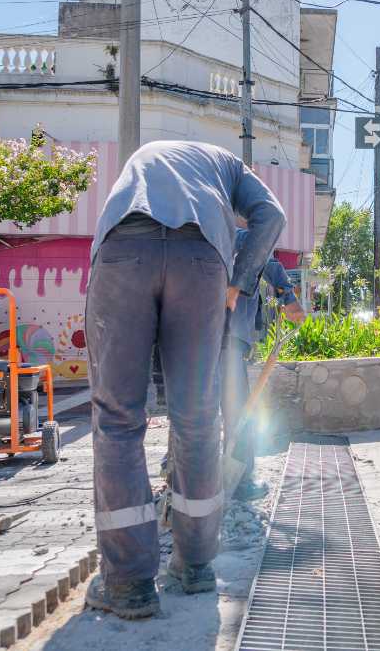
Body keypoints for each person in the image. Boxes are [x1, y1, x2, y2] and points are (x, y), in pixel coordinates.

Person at [84, 140, 284, 619]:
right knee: (196, 417)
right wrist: (238, 280)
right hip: (201, 263)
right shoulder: (232, 168)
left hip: (124, 252)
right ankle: (194, 566)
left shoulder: (154, 155)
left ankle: (129, 583)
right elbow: (271, 215)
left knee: (118, 418)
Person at [221, 228, 304, 494]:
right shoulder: (238, 237)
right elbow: (266, 258)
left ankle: (182, 478)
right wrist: (289, 300)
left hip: (194, 339)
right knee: (239, 412)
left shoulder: (196, 233)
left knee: (195, 412)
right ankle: (240, 482)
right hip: (228, 338)